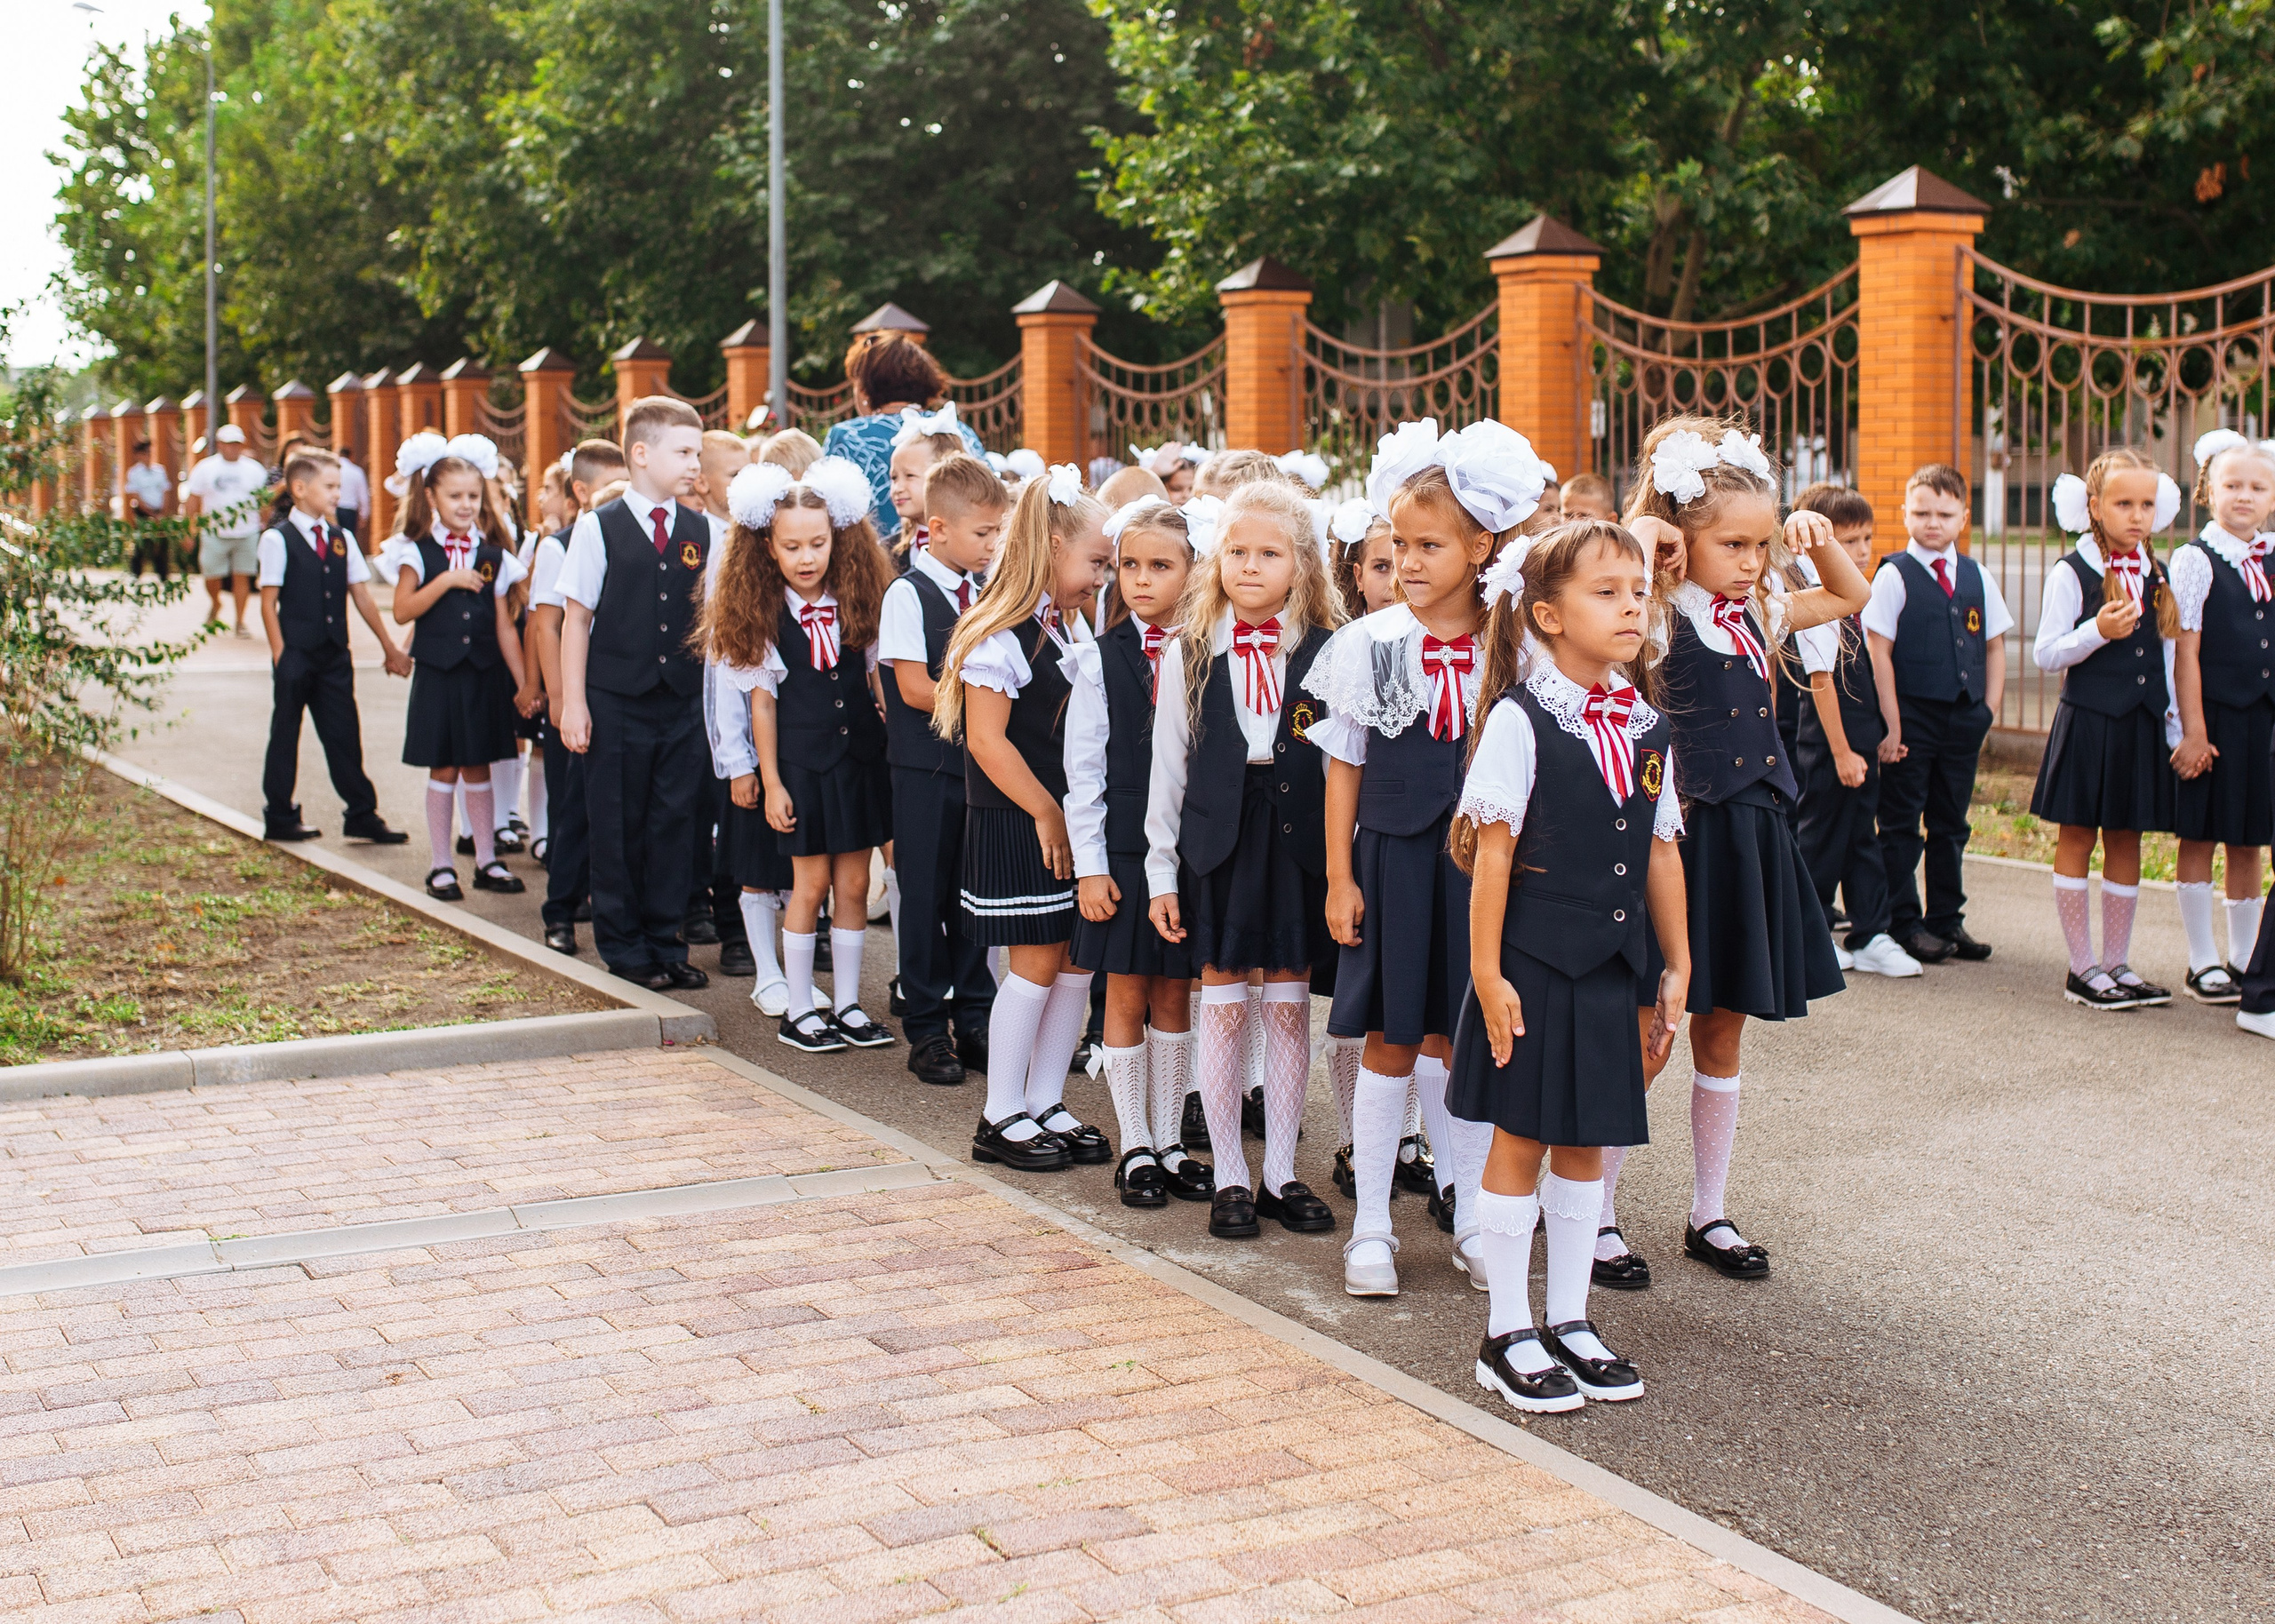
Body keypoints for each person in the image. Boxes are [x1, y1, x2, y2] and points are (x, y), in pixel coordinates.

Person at [1622, 415, 1867, 1281]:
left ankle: (1708, 1210)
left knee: (1720, 1031)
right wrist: (1641, 537)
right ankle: (1592, 1205)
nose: (1754, 560)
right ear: (1682, 539)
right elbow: (1597, 567)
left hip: (1750, 836)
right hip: (1675, 840)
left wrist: (1818, 539)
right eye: (1735, 543)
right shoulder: (1645, 610)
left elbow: (1847, 597)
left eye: (1762, 543)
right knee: (1650, 1029)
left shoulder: (1757, 606)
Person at [1452, 519, 1689, 1412]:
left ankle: (1570, 1317)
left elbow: (1660, 850)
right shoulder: (1520, 720)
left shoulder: (1644, 722)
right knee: (1523, 1136)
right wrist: (1486, 973)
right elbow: (1493, 854)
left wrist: (1676, 964)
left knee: (1592, 1140)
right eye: (1606, 592)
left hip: (1614, 966)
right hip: (1534, 964)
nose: (1630, 605)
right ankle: (1506, 1330)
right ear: (1546, 615)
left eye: (1638, 591)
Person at [1307, 418, 1547, 1299]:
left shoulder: (1518, 643)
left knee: (1468, 1037)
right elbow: (1341, 764)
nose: (1407, 560)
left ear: (1482, 544)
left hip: (1487, 874)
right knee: (1391, 1037)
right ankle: (1371, 1223)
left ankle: (1476, 1217)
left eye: (1428, 545)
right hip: (1395, 864)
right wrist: (1338, 877)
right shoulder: (1368, 644)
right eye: (1398, 544)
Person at [1145, 478, 1344, 1240]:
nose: (1251, 566)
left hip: (1295, 840)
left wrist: (1340, 871)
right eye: (1237, 551)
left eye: (1270, 553)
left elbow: (1340, 773)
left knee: (1289, 1011)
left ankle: (1281, 1173)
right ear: (1215, 560)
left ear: (1303, 565)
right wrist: (1161, 872)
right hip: (1217, 843)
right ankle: (1229, 1171)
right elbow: (1169, 768)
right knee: (1223, 1008)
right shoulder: (1188, 651)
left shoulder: (1328, 653)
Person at [935, 466, 1114, 1171]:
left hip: (1063, 819)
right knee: (1035, 963)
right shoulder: (1000, 633)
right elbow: (986, 740)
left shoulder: (1067, 627)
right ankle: (999, 1111)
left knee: (1073, 964)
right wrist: (1046, 810)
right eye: (1095, 563)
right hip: (1019, 820)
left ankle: (1045, 1099)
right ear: (1050, 544)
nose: (1102, 578)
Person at [703, 457, 898, 1053]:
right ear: (768, 549)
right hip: (802, 771)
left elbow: (876, 682)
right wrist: (771, 781)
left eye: (818, 544)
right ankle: (799, 1008)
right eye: (793, 547)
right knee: (808, 886)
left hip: (857, 764)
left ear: (838, 539)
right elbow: (763, 707)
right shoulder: (761, 617)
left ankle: (846, 1005)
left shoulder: (858, 599)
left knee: (855, 887)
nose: (807, 557)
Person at [1066, 497, 1211, 1206]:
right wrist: (1090, 864)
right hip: (1123, 851)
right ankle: (1134, 1144)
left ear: (1194, 570)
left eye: (1161, 566)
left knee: (1175, 992)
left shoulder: (1213, 652)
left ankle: (1173, 1138)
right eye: (1129, 566)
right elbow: (1083, 773)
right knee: (1125, 990)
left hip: (1194, 847)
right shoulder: (1098, 658)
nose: (1142, 580)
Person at [555, 397, 715, 991]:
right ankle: (624, 947)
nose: (694, 463)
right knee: (618, 821)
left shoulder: (703, 531)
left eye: (698, 452)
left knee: (675, 821)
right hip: (615, 700)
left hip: (680, 702)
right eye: (683, 451)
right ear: (641, 454)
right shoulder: (599, 528)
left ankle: (665, 939)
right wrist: (575, 703)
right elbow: (576, 619)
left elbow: (713, 622)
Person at [2028, 452, 2183, 1010]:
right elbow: (2047, 652)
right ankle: (2082, 968)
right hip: (2091, 723)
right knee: (2078, 837)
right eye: (2123, 503)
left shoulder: (2158, 571)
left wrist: (2175, 728)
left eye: (2146, 504)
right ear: (2094, 507)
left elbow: (2168, 659)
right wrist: (2095, 630)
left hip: (2140, 725)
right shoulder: (2072, 571)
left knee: (2127, 838)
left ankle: (2117, 962)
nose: (2137, 515)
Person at [881, 452, 1008, 1082]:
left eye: (996, 532)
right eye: (983, 533)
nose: (993, 543)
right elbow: (910, 685)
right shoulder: (908, 593)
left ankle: (976, 1015)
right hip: (925, 769)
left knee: (973, 896)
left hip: (977, 770)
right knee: (926, 895)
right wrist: (990, 700)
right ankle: (927, 1026)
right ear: (938, 529)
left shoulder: (987, 593)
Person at [1864, 464, 2010, 965]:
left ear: (1963, 517)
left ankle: (1947, 919)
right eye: (1921, 512)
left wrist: (1988, 709)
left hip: (1963, 718)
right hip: (1912, 719)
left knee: (1951, 822)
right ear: (1905, 513)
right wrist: (1893, 723)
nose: (1932, 523)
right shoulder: (1893, 574)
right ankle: (1902, 921)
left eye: (1944, 514)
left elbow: (1993, 645)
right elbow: (1878, 649)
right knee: (1902, 821)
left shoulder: (1975, 574)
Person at [379, 432, 531, 902]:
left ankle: (487, 859)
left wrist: (525, 684)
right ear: (430, 497)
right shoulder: (416, 551)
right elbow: (403, 610)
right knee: (443, 767)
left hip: (483, 674)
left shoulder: (492, 554)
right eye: (454, 497)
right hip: (439, 674)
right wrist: (445, 581)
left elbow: (506, 626)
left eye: (473, 496)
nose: (466, 505)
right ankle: (441, 865)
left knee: (479, 764)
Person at [1790, 487, 1920, 978]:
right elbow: (1819, 680)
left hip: (1859, 737)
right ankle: (1810, 930)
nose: (1863, 551)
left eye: (1866, 537)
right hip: (1829, 743)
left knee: (1862, 836)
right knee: (1821, 838)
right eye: (1848, 541)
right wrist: (1841, 752)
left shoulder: (1857, 594)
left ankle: (1870, 931)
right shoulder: (1817, 597)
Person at [254, 446, 411, 844]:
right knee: (286, 732)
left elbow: (360, 595)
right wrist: (281, 654)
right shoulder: (278, 539)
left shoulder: (341, 538)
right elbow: (269, 603)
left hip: (334, 656)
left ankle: (361, 813)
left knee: (344, 734)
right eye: (330, 486)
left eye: (339, 486)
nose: (338, 494)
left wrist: (389, 647)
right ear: (300, 488)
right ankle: (280, 814)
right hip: (296, 654)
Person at [2167, 430, 2275, 1000]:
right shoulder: (2196, 559)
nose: (2245, 496)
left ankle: (2244, 955)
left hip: (2262, 723)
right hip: (2212, 720)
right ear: (2208, 490)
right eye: (2232, 484)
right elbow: (2185, 650)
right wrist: (2193, 731)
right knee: (2201, 834)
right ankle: (2201, 958)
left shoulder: (2272, 555)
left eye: (2258, 487)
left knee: (2248, 839)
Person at [531, 439, 626, 957]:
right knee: (575, 809)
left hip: (617, 695)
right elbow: (549, 625)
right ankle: (560, 911)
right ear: (582, 494)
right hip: (575, 698)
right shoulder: (561, 544)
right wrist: (562, 698)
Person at [682, 430, 757, 972]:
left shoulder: (755, 537)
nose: (747, 481)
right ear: (704, 484)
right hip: (699, 696)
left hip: (745, 696)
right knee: (703, 810)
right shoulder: (703, 539)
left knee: (740, 813)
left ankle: (737, 925)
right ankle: (706, 908)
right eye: (736, 474)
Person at [819, 334, 986, 524]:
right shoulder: (956, 430)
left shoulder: (847, 437)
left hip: (874, 553)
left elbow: (827, 513)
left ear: (865, 388)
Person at [183, 424, 271, 637]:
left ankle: (240, 621)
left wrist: (266, 528)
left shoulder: (254, 469)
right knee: (212, 575)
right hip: (214, 531)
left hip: (247, 531)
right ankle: (216, 603)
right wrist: (188, 531)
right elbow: (193, 501)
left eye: (237, 444)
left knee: (242, 576)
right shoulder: (205, 468)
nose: (233, 448)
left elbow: (263, 502)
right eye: (229, 444)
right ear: (220, 445)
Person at [885, 404, 968, 559]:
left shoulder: (972, 547)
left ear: (946, 478)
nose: (898, 488)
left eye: (909, 476)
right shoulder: (887, 552)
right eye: (894, 478)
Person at [123, 438, 174, 578]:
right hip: (144, 513)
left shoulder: (159, 470)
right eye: (145, 453)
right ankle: (136, 572)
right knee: (142, 542)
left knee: (162, 542)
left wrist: (162, 512)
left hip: (159, 511)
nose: (148, 456)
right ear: (138, 455)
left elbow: (165, 492)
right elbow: (135, 496)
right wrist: (150, 514)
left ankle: (163, 573)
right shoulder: (134, 473)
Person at [335, 444, 371, 545]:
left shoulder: (334, 470)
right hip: (350, 511)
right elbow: (363, 495)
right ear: (351, 456)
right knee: (349, 540)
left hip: (335, 508)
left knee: (335, 539)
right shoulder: (356, 471)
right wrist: (364, 514)